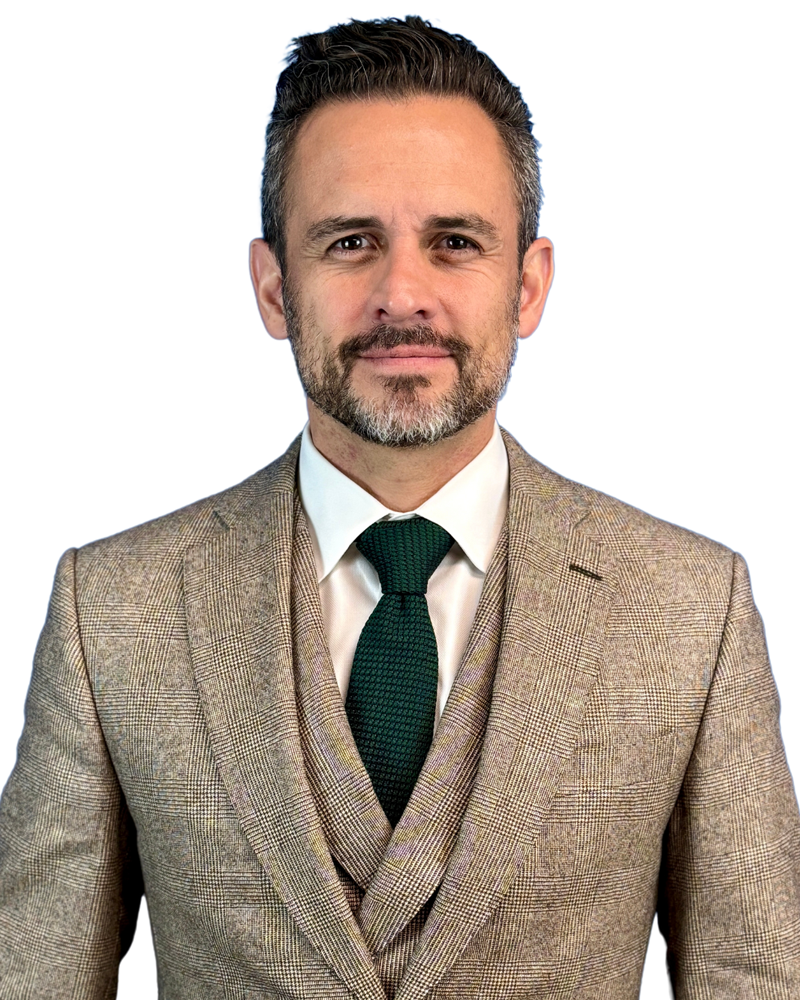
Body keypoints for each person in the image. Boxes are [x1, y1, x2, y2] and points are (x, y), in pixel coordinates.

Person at [1, 14, 798, 999]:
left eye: (454, 242)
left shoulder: (690, 610)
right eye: (350, 242)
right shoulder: (113, 611)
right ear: (273, 288)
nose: (401, 293)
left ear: (528, 285)